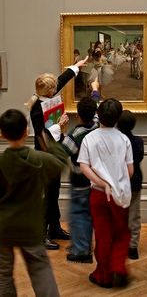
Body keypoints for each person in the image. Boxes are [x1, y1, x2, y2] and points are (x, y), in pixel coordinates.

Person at [0, 109, 68, 297]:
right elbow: (61, 161)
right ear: (26, 131)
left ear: (2, 134)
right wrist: (51, 138)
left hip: (4, 227)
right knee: (40, 271)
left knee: (3, 275)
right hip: (30, 227)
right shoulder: (39, 159)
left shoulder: (1, 161)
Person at [25, 56, 88, 250]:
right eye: (54, 88)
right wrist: (59, 126)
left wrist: (76, 67)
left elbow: (61, 79)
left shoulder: (48, 93)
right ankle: (42, 235)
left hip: (55, 154)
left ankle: (55, 228)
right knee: (48, 195)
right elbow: (41, 137)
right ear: (48, 91)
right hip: (44, 156)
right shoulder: (36, 110)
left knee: (54, 192)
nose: (56, 89)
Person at [78, 98, 134, 288]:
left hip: (99, 194)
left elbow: (84, 166)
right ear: (118, 117)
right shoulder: (124, 139)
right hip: (121, 193)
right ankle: (118, 266)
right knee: (121, 232)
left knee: (103, 235)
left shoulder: (89, 138)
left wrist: (102, 181)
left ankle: (104, 275)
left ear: (98, 115)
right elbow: (130, 171)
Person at [61, 79, 100, 264]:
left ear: (78, 115)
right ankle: (84, 245)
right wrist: (94, 90)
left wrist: (59, 130)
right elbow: (96, 104)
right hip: (96, 179)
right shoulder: (98, 124)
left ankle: (81, 250)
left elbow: (61, 152)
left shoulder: (74, 135)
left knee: (79, 215)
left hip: (79, 181)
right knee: (91, 215)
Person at [117, 110, 144, 260]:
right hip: (134, 182)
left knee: (119, 214)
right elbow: (138, 158)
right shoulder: (138, 141)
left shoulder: (116, 142)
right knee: (134, 215)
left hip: (119, 182)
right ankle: (133, 247)